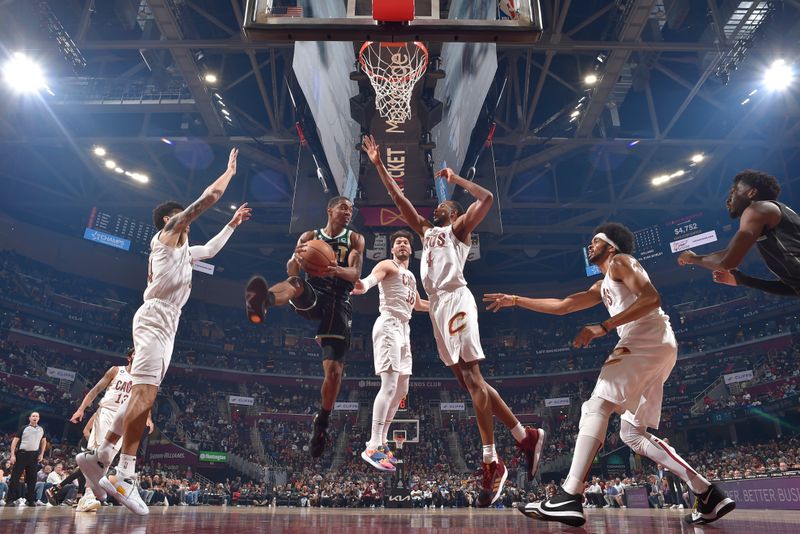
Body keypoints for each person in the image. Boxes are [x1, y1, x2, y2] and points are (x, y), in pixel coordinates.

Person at [485, 222, 735, 526]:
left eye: (595, 242)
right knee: (631, 434)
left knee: (596, 405)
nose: (590, 246)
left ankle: (569, 495)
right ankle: (707, 492)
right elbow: (563, 306)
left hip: (645, 338)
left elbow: (651, 298)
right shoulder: (602, 284)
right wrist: (515, 300)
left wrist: (603, 327)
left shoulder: (621, 261)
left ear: (611, 247)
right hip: (656, 346)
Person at [362, 134, 544, 507]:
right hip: (438, 308)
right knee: (468, 383)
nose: (440, 205)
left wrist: (456, 180)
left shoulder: (458, 231)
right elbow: (400, 200)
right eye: (442, 204)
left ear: (454, 213)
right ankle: (525, 436)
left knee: (474, 379)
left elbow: (488, 199)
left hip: (458, 300)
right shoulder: (426, 233)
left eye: (448, 204)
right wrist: (379, 164)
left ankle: (491, 461)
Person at [78, 148, 249, 516]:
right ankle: (124, 473)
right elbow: (209, 198)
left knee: (140, 395)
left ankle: (102, 453)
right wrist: (229, 174)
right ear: (171, 220)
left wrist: (232, 224)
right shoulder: (167, 234)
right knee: (146, 395)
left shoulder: (185, 251)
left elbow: (212, 248)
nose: (188, 220)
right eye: (182, 216)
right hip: (156, 316)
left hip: (167, 321)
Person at [245, 196, 365, 457]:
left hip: (339, 301)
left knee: (334, 372)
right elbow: (293, 269)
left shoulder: (354, 239)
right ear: (329, 209)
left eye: (350, 209)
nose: (348, 212)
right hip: (315, 292)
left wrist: (334, 269)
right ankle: (263, 301)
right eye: (343, 207)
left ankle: (322, 421)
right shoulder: (310, 235)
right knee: (295, 283)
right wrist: (297, 258)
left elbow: (355, 274)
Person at [351, 230, 429, 471]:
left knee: (402, 388)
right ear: (392, 249)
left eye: (406, 242)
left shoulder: (410, 275)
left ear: (411, 250)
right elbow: (371, 280)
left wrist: (446, 305)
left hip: (404, 329)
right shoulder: (388, 265)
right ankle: (372, 446)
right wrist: (362, 285)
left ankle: (383, 442)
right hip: (388, 325)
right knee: (390, 385)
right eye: (398, 242)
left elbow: (419, 304)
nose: (402, 244)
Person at [678, 170, 800, 296]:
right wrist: (744, 280)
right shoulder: (773, 215)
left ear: (751, 193)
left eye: (734, 191)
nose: (729, 199)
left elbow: (727, 261)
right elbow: (793, 288)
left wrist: (692, 258)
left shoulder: (757, 209)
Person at [67, 348, 153, 512]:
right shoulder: (116, 370)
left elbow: (145, 400)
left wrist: (148, 417)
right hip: (107, 412)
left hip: (123, 420)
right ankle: (88, 495)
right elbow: (95, 391)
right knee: (97, 455)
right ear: (129, 357)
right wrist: (81, 409)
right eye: (136, 352)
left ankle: (90, 495)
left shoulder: (142, 380)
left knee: (106, 460)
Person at [7, 412, 46, 507]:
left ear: (39, 418)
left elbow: (44, 441)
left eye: (37, 416)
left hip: (34, 455)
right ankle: (10, 500)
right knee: (15, 477)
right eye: (33, 416)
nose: (35, 417)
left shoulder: (41, 429)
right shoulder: (23, 428)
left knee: (32, 479)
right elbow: (15, 441)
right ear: (29, 418)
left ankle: (30, 500)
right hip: (22, 454)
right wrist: (12, 455)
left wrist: (41, 453)